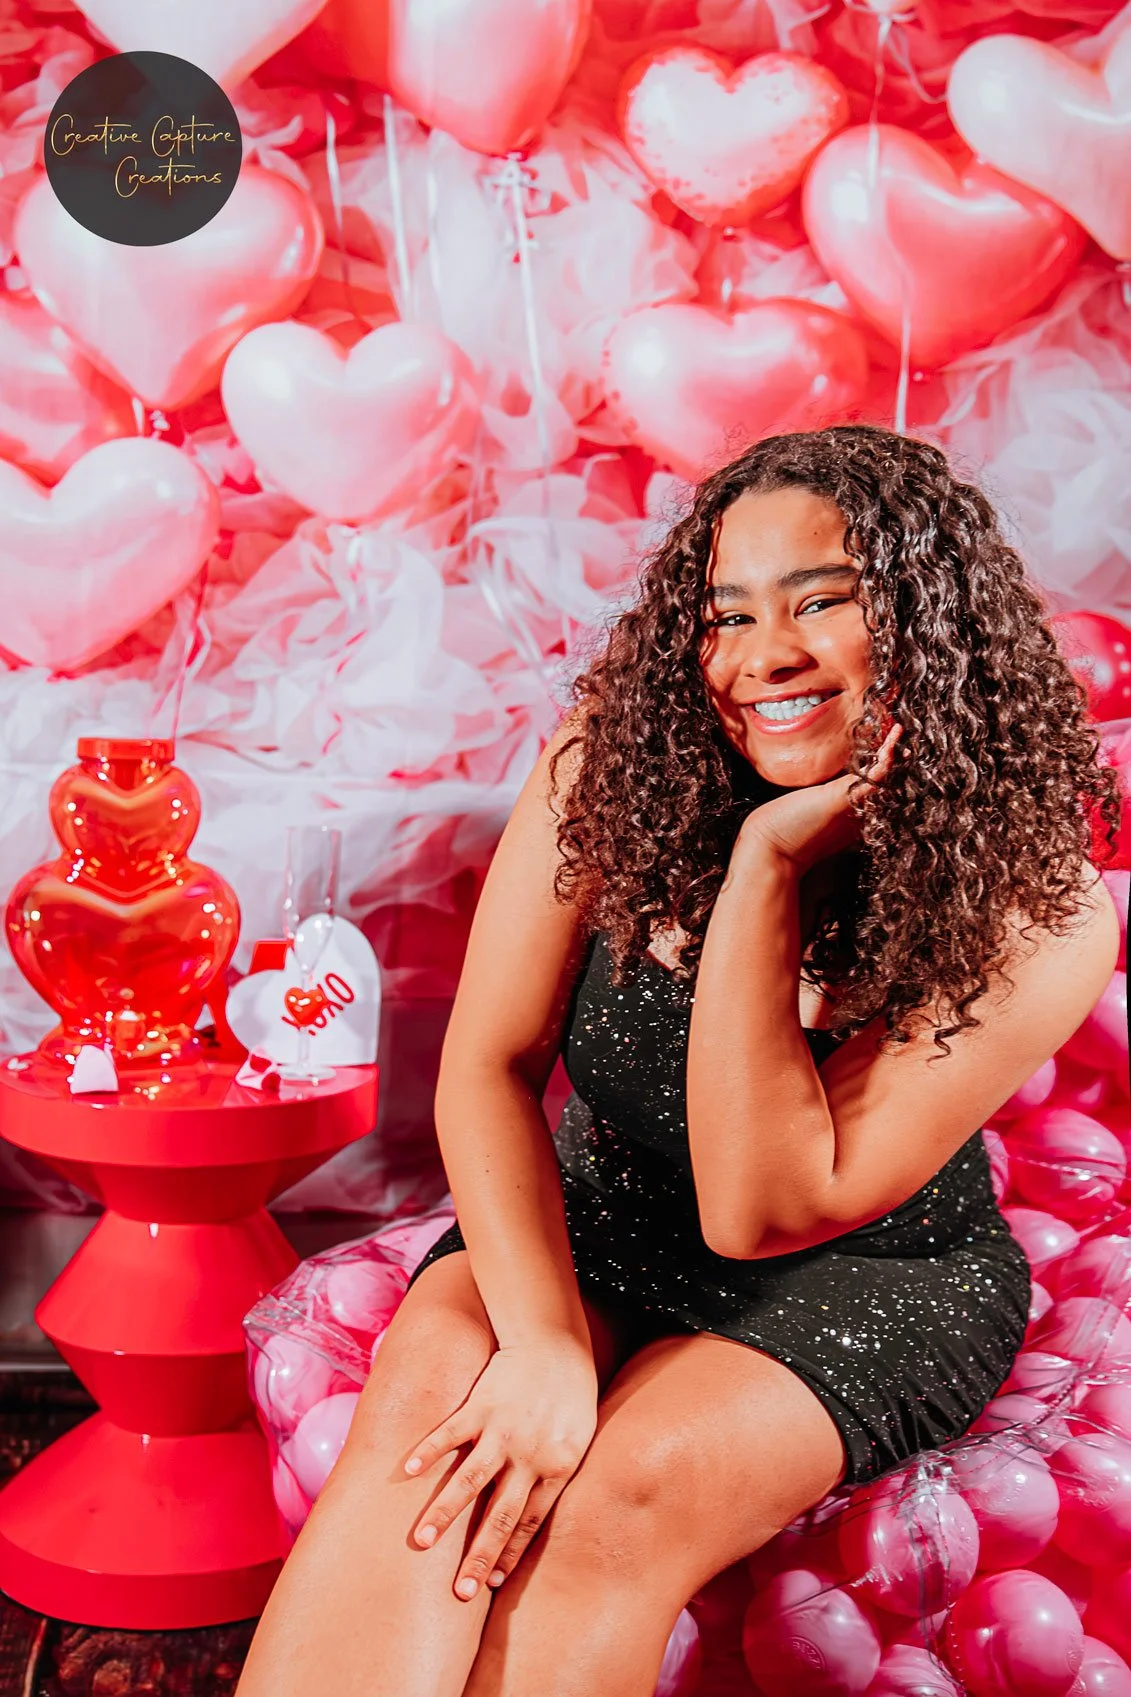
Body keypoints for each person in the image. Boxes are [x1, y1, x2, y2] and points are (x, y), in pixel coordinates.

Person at [236, 425, 1121, 1697]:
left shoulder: (1043, 908)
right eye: (729, 613)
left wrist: (767, 865)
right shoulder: (621, 757)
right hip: (606, 1211)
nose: (766, 656)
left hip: (862, 1276)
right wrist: (541, 1339)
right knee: (439, 1410)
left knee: (617, 1494)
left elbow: (759, 1207)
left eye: (823, 600)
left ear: (934, 622)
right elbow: (485, 1059)